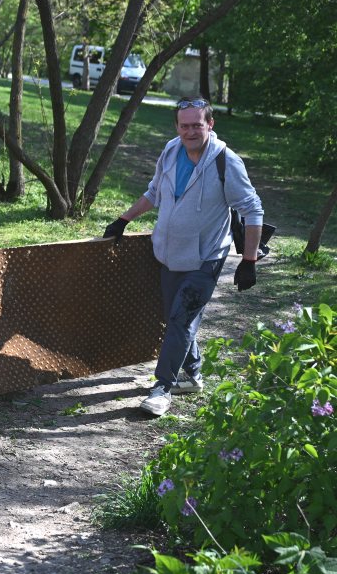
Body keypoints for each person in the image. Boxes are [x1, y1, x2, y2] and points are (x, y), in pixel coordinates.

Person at [103, 97, 264, 417]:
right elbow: (154, 193)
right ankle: (193, 374)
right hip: (169, 253)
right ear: (177, 126)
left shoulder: (225, 161)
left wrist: (248, 261)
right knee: (176, 316)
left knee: (180, 319)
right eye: (184, 125)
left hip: (206, 258)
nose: (190, 131)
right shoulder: (171, 151)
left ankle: (162, 388)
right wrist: (124, 219)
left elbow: (253, 209)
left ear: (210, 125)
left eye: (197, 125)